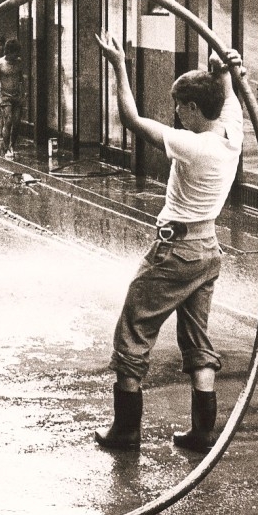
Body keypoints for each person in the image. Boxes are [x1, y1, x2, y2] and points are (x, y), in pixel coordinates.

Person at [93, 32, 244, 454]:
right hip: (207, 249)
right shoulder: (233, 128)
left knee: (133, 329)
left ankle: (125, 430)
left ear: (193, 108)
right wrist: (223, 65)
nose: (176, 113)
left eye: (180, 106)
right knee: (196, 339)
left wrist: (119, 65)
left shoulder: (194, 146)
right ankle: (202, 433)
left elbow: (132, 120)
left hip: (175, 250)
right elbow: (228, 88)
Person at [0, 38, 26, 160]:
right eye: (13, 54)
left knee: (16, 122)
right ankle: (6, 147)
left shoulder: (18, 62)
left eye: (17, 54)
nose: (15, 57)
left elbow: (22, 79)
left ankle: (12, 145)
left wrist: (23, 94)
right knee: (8, 120)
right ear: (8, 52)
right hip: (5, 96)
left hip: (16, 95)